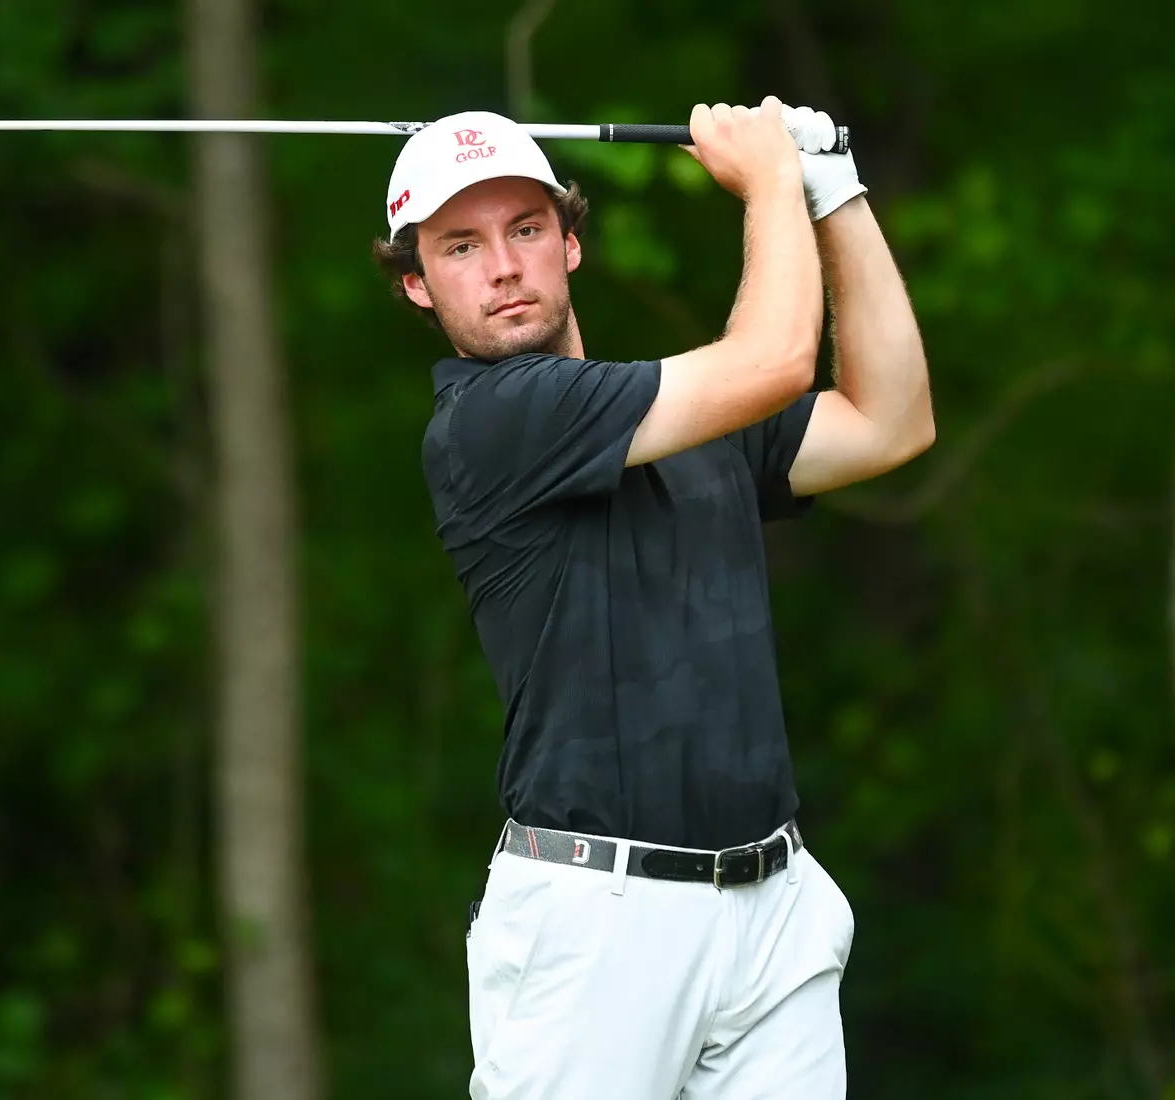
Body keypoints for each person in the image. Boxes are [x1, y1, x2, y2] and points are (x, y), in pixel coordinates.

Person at [371, 97, 934, 1100]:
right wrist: (766, 178)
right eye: (460, 246)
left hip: (772, 908)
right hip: (598, 924)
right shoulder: (487, 424)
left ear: (570, 245)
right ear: (416, 284)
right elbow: (771, 363)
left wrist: (832, 188)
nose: (503, 266)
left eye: (527, 228)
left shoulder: (684, 415)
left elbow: (890, 419)